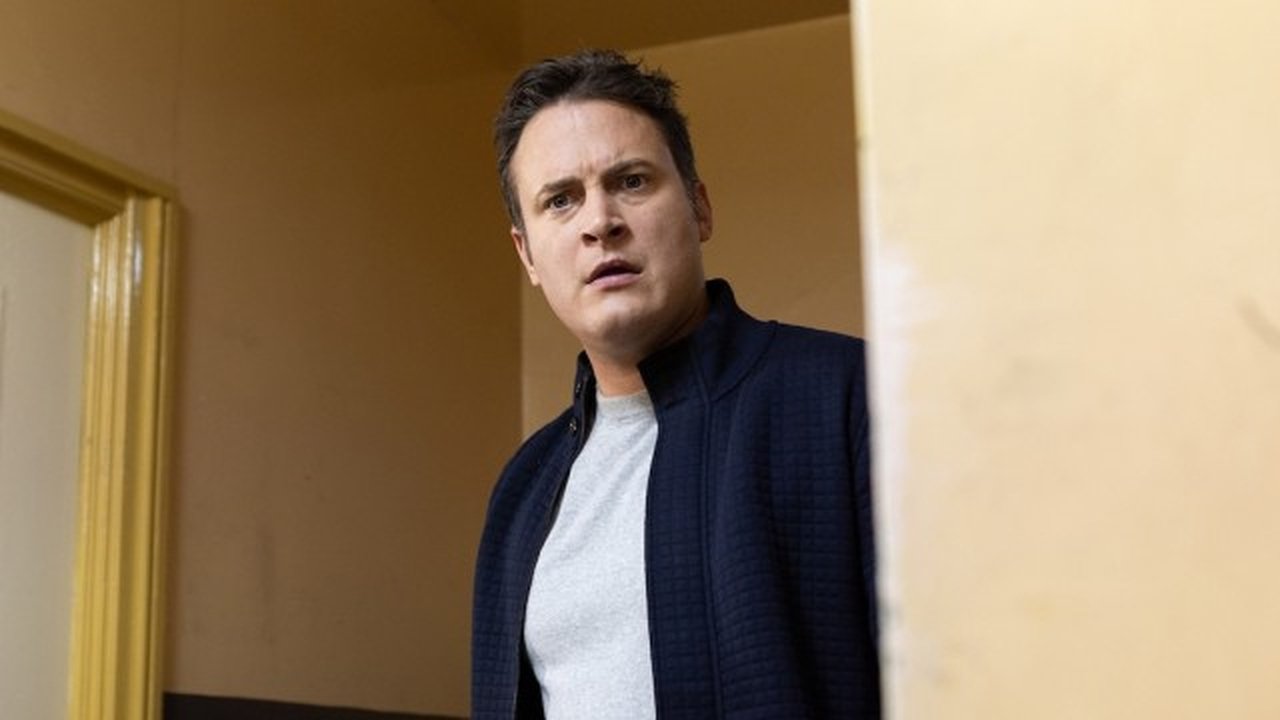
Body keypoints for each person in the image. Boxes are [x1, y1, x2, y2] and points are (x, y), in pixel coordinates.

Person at [472, 49, 880, 719]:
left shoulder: (849, 400)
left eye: (631, 181)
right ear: (528, 255)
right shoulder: (523, 490)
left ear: (699, 207)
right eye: (560, 200)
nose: (599, 222)